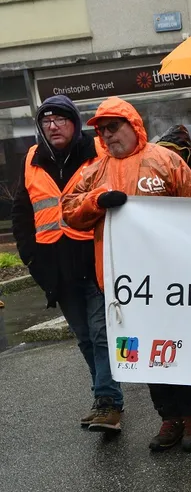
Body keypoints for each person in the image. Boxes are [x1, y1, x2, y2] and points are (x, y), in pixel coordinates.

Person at [61, 97, 191, 452]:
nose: (108, 135)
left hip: (172, 281)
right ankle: (169, 418)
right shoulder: (92, 171)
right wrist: (96, 201)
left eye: (114, 126)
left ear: (133, 125)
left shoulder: (166, 161)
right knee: (146, 354)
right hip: (123, 287)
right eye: (101, 129)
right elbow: (67, 209)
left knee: (181, 348)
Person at [12, 95, 122, 432]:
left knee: (102, 334)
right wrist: (31, 258)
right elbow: (21, 212)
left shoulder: (98, 153)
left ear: (74, 123)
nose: (53, 125)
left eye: (60, 119)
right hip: (55, 268)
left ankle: (107, 401)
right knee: (85, 338)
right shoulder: (32, 158)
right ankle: (104, 397)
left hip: (95, 258)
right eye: (46, 120)